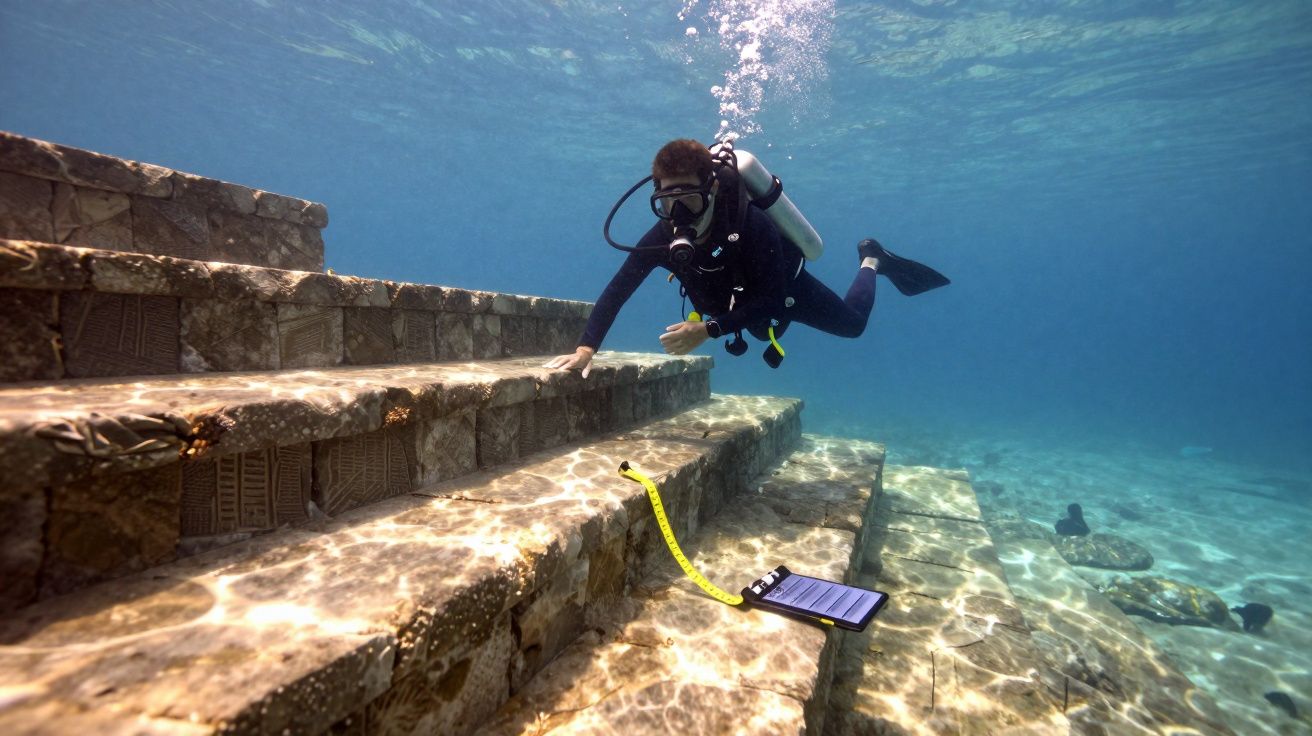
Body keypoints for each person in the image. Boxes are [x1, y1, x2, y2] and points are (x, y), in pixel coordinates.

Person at [545, 138, 947, 377]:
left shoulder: (751, 225)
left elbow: (770, 302)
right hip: (734, 309)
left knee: (853, 327)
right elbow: (619, 289)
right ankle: (742, 325)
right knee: (756, 331)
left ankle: (871, 259)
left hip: (782, 290)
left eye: (689, 199)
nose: (679, 215)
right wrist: (587, 348)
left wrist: (709, 330)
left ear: (714, 191)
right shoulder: (663, 236)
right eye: (667, 203)